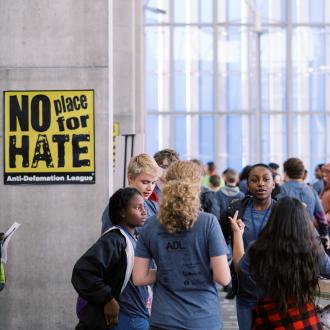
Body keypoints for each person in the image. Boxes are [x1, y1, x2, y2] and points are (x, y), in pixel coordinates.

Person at [133, 161, 231, 330]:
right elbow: (223, 278)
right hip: (203, 319)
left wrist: (169, 270)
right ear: (197, 187)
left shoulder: (150, 225)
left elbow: (139, 278)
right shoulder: (208, 223)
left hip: (163, 320)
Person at [229, 197, 330, 329]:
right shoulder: (312, 250)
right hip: (304, 319)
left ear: (273, 219)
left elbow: (240, 269)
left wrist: (237, 234)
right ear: (304, 222)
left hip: (270, 318)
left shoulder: (257, 248)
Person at [72, 188, 149, 330]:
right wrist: (108, 299)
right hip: (125, 318)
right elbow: (83, 270)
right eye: (138, 207)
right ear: (122, 212)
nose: (144, 211)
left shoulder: (134, 239)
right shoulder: (115, 240)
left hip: (137, 315)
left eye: (144, 206)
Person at [220, 164, 275, 322]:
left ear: (273, 183)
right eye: (254, 180)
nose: (261, 184)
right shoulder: (235, 210)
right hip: (245, 289)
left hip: (275, 289)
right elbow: (219, 242)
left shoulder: (281, 212)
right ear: (247, 185)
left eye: (266, 179)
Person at [101, 153, 162, 233]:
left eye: (153, 182)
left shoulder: (152, 206)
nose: (150, 188)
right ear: (130, 178)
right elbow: (108, 242)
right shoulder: (116, 207)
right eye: (145, 182)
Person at [276, 158, 329, 245]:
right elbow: (321, 217)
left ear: (285, 173)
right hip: (308, 237)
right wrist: (324, 234)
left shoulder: (280, 190)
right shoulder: (311, 191)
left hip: (285, 237)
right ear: (302, 173)